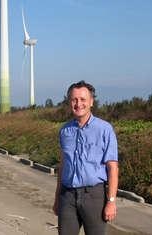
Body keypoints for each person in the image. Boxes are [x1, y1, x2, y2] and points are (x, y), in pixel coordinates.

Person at [53, 81, 118, 235]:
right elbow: (63, 166)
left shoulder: (104, 129)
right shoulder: (65, 131)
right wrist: (57, 198)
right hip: (67, 196)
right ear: (69, 102)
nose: (78, 104)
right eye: (74, 99)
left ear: (91, 102)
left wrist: (111, 202)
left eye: (83, 99)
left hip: (94, 196)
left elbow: (112, 167)